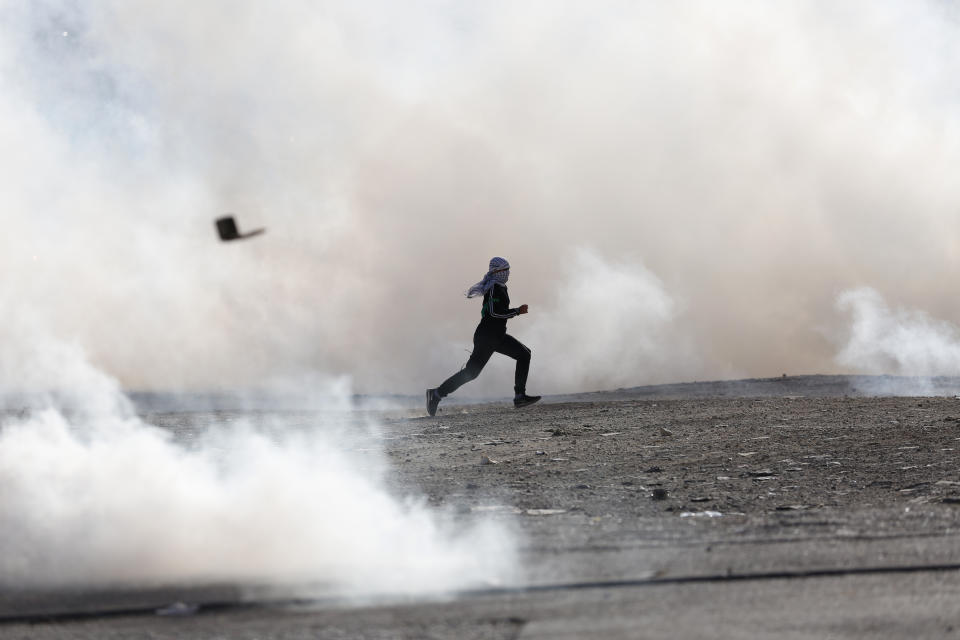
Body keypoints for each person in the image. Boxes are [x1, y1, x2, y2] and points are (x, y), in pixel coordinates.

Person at [426, 257, 540, 416]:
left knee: (524, 354)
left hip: (497, 336)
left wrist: (515, 312)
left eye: (508, 270)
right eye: (505, 270)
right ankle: (436, 394)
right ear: (496, 272)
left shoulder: (501, 287)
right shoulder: (494, 288)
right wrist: (517, 311)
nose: (507, 273)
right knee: (471, 373)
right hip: (487, 336)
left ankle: (519, 396)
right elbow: (494, 313)